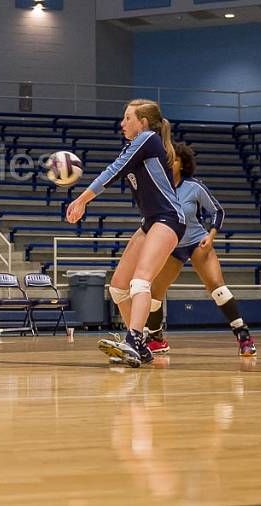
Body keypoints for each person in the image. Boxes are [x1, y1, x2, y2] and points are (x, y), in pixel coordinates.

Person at [65, 99, 185, 368]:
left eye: (127, 118)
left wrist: (82, 199)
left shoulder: (148, 138)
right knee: (119, 287)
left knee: (140, 282)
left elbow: (113, 171)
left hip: (169, 218)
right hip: (151, 221)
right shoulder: (137, 144)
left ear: (142, 122)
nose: (122, 123)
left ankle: (133, 339)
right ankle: (140, 347)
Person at [144, 143, 256, 357]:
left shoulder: (194, 186)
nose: (170, 162)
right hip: (172, 246)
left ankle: (244, 336)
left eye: (175, 159)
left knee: (217, 287)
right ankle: (156, 339)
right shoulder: (158, 188)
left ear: (183, 164)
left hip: (197, 242)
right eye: (167, 158)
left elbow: (217, 211)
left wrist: (211, 235)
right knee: (154, 294)